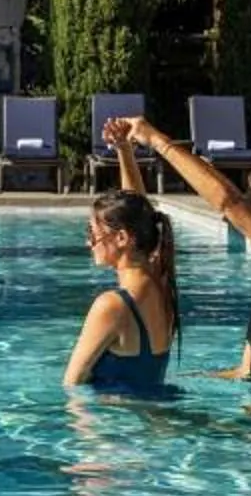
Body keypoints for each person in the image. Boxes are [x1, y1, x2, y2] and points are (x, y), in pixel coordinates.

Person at [105, 115, 251, 395]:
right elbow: (139, 236)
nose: (249, 213)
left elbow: (229, 202)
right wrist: (125, 152)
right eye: (249, 203)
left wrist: (157, 141)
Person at [63, 149, 179, 390]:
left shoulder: (112, 306)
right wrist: (124, 149)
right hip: (154, 414)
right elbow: (139, 212)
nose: (88, 243)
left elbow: (72, 385)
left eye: (92, 233)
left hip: (117, 423)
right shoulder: (162, 286)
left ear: (122, 238)